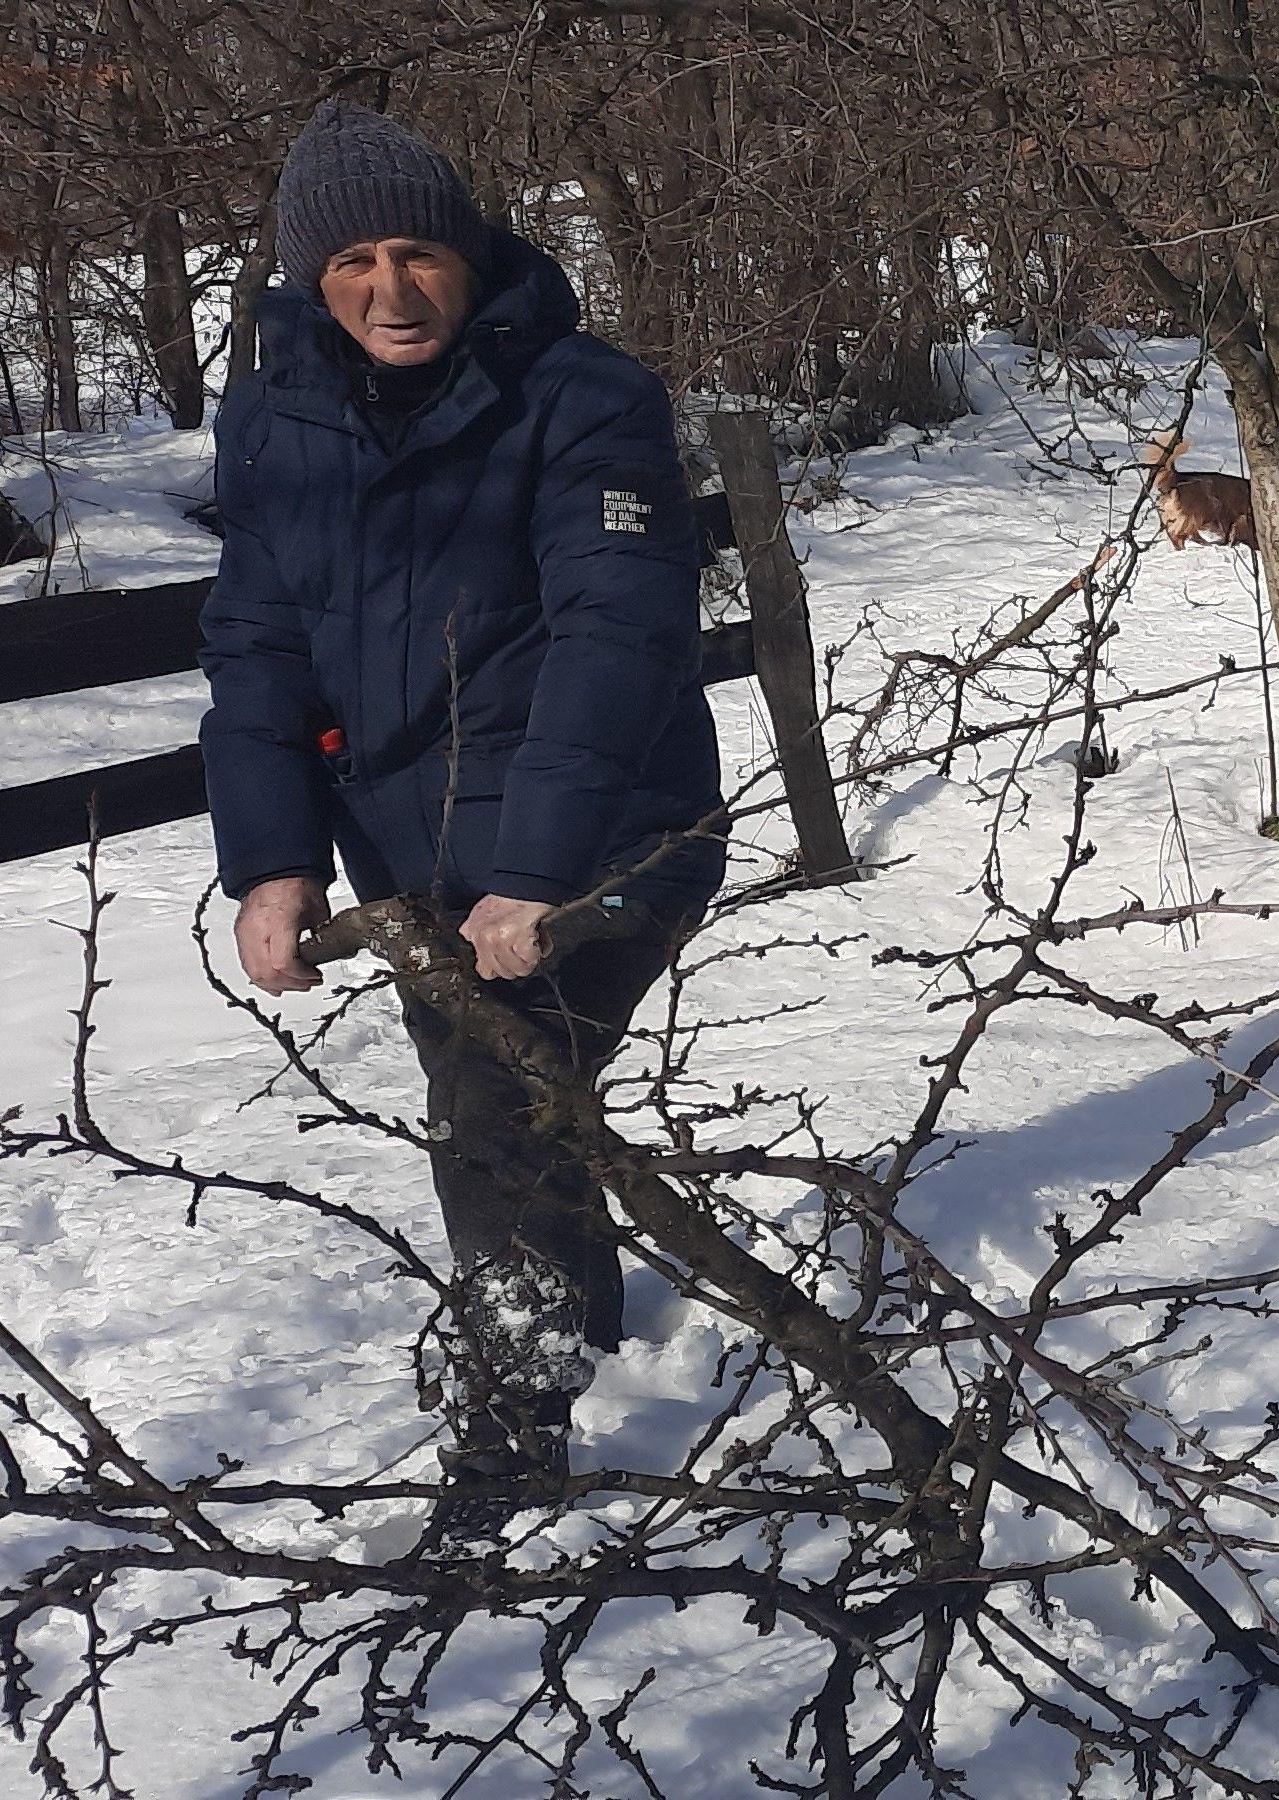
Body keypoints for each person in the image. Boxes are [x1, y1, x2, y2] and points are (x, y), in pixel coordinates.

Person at [196, 97, 727, 1533]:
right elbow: (257, 646)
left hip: (620, 833)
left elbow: (616, 640)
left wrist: (538, 870)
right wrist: (274, 859)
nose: (390, 289)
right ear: (311, 277)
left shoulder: (586, 397)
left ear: (472, 254)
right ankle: (585, 1345)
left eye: (418, 251)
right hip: (413, 852)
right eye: (352, 261)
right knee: (514, 1096)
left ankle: (517, 1437)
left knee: (496, 1109)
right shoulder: (275, 418)